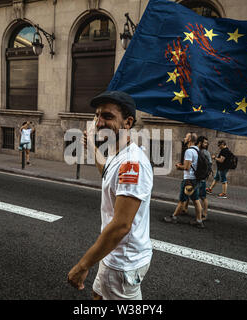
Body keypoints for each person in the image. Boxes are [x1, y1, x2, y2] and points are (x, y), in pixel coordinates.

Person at [68, 91, 153, 300]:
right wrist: (93, 148)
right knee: (98, 295)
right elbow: (107, 172)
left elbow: (121, 226)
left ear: (127, 122)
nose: (99, 122)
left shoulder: (132, 163)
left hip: (122, 263)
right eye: (97, 116)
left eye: (107, 116)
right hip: (113, 254)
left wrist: (82, 266)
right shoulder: (119, 152)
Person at [163, 132, 204, 228]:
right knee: (196, 200)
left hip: (189, 179)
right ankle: (199, 220)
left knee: (182, 200)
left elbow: (187, 167)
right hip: (195, 179)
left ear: (189, 139)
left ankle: (174, 217)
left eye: (186, 137)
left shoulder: (189, 151)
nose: (184, 138)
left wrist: (178, 166)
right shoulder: (197, 150)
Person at [195, 136, 212, 220]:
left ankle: (204, 214)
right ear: (200, 142)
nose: (206, 144)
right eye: (205, 142)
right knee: (196, 196)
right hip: (199, 177)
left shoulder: (205, 152)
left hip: (201, 178)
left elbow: (209, 165)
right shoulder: (198, 151)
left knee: (202, 197)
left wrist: (204, 175)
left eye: (206, 143)